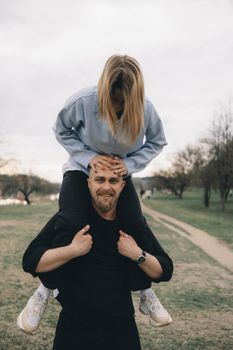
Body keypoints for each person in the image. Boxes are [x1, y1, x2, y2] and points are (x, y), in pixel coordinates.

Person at [17, 54, 172, 334]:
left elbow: (158, 142)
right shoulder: (83, 101)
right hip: (80, 169)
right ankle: (45, 288)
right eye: (113, 101)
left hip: (119, 174)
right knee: (71, 220)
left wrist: (129, 164)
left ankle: (145, 292)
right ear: (103, 91)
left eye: (123, 103)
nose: (117, 108)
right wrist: (89, 157)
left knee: (135, 225)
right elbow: (61, 130)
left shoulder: (147, 110)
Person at [21, 167, 173, 350]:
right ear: (88, 183)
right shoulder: (71, 220)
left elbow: (164, 270)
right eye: (100, 180)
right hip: (73, 329)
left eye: (113, 181)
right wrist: (71, 250)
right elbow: (30, 260)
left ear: (123, 185)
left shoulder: (131, 223)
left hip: (121, 329)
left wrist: (137, 254)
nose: (106, 187)